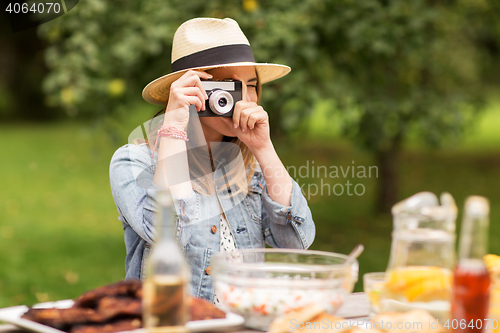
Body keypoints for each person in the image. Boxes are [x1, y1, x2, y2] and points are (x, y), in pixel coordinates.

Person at [109, 17, 315, 302]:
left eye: (251, 85)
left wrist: (264, 148)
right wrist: (174, 126)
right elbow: (166, 234)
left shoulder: (251, 168)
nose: (244, 97)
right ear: (192, 89)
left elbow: (295, 244)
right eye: (229, 85)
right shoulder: (134, 162)